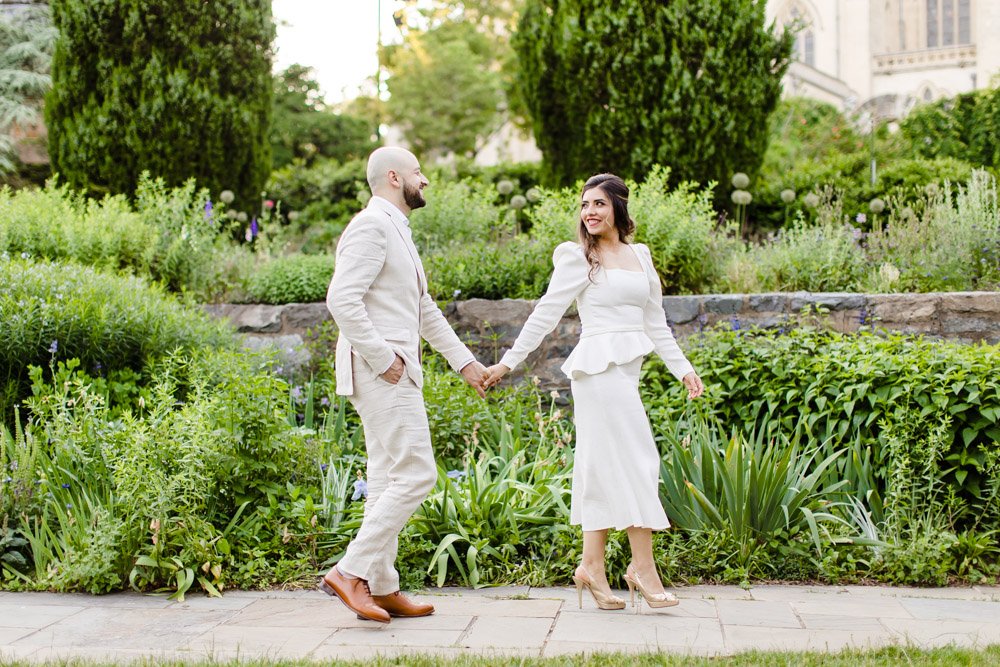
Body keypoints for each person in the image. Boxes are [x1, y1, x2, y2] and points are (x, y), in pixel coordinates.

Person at [483, 173, 704, 611]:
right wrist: (507, 362)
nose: (590, 212)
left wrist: (683, 369)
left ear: (619, 206)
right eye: (585, 205)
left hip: (627, 370)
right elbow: (546, 314)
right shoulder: (577, 258)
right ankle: (643, 568)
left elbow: (654, 321)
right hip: (596, 371)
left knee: (600, 467)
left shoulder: (640, 256)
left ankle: (592, 567)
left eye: (599, 204)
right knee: (641, 460)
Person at [322, 146, 490, 623]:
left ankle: (382, 585)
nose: (426, 180)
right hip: (382, 371)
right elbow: (341, 299)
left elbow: (423, 310)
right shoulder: (372, 225)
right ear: (395, 177)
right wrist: (383, 357)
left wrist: (466, 364)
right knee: (418, 474)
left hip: (389, 369)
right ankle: (349, 572)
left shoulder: (397, 230)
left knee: (385, 481)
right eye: (420, 172)